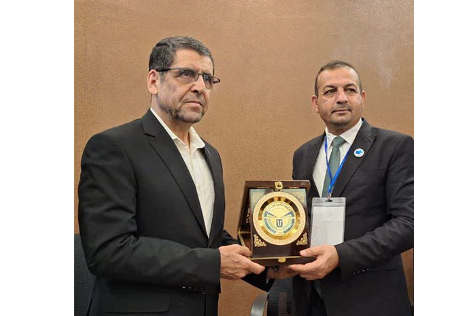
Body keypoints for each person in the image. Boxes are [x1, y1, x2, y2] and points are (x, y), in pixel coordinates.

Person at [78, 36, 267, 316]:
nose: (199, 87)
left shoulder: (210, 155)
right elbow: (108, 251)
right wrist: (212, 263)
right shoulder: (114, 147)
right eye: (186, 74)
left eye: (208, 78)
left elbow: (208, 239)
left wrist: (269, 267)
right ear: (154, 81)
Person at [285, 60, 414, 316]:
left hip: (372, 299)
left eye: (350, 90)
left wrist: (340, 255)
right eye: (330, 91)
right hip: (312, 299)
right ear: (316, 102)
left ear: (362, 98)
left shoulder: (395, 147)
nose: (341, 98)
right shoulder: (303, 154)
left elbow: (409, 223)